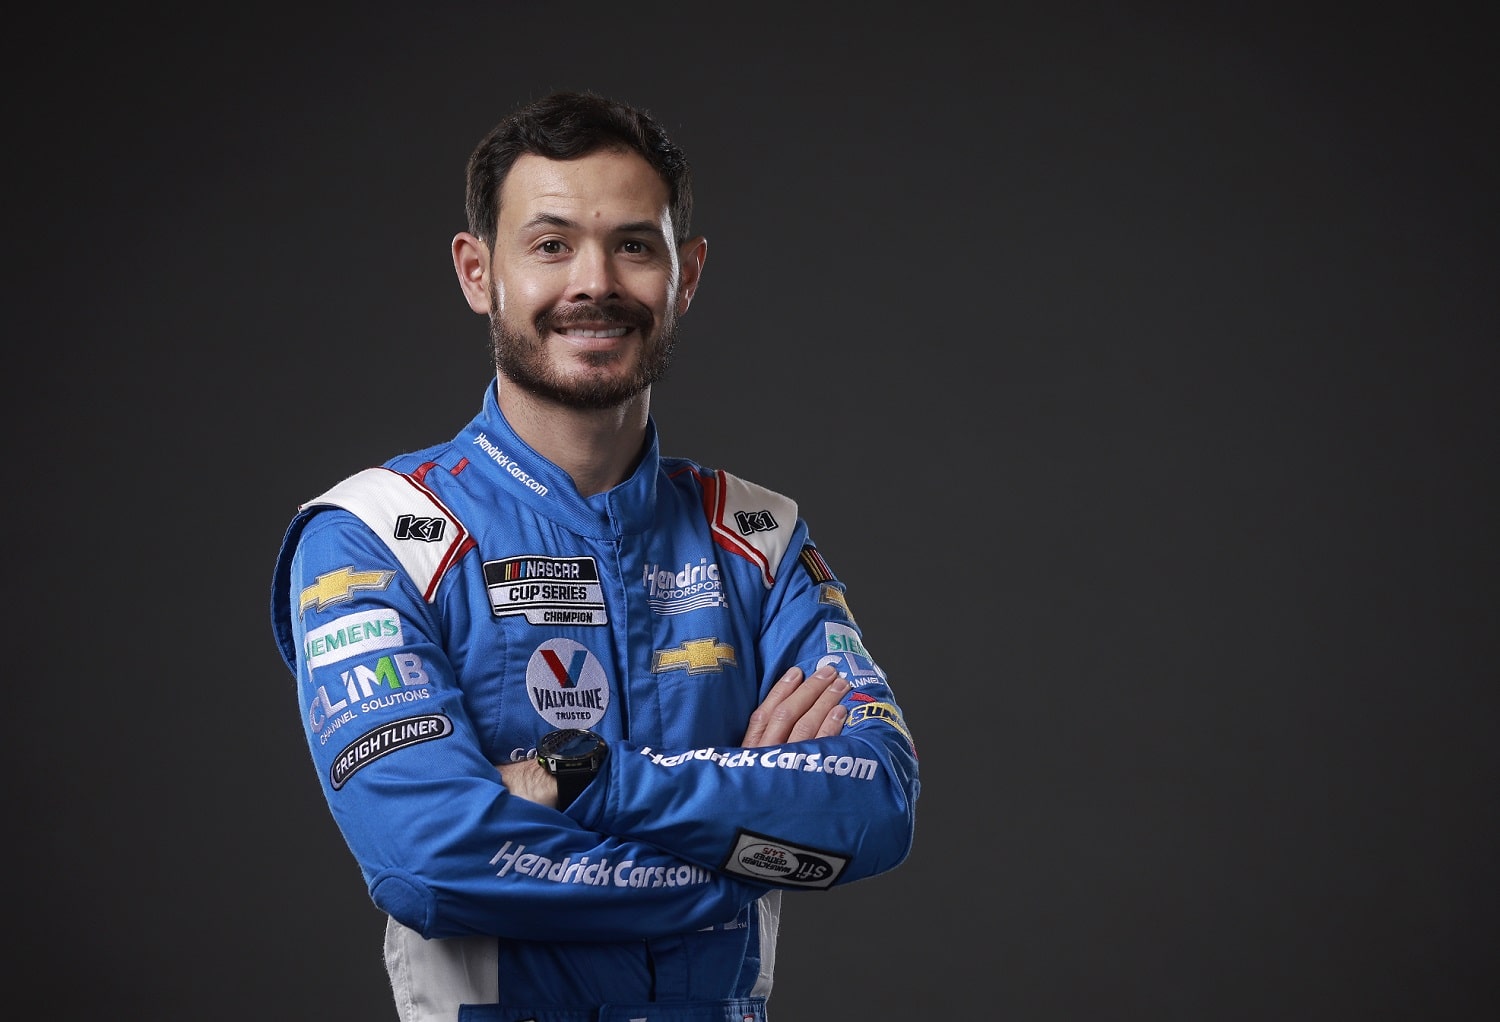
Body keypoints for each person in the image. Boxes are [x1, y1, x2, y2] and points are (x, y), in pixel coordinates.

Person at [268, 89, 920, 1022]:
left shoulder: (758, 537)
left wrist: (584, 776)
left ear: (685, 276)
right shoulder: (372, 536)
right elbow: (428, 861)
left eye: (634, 245)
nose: (595, 283)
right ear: (477, 271)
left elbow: (876, 807)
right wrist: (728, 854)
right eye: (550, 244)